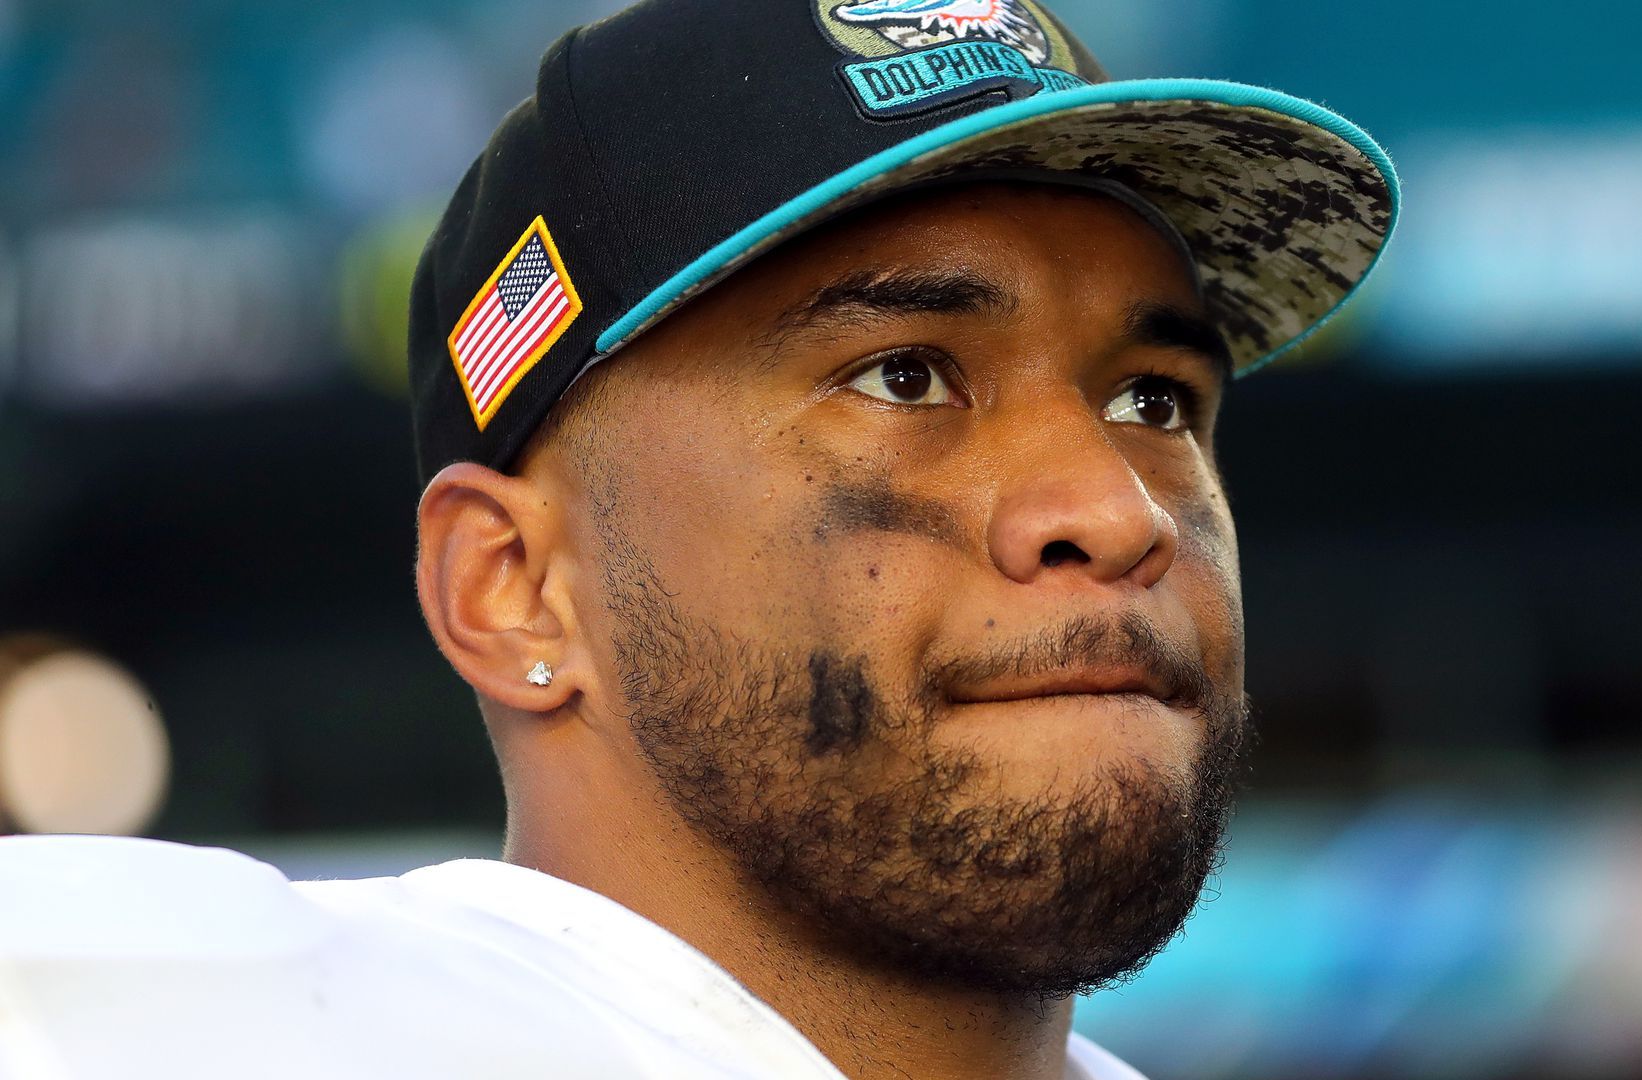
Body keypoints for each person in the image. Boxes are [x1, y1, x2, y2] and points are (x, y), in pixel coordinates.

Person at [0, 1, 1396, 1077]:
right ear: (516, 589)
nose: (1115, 509)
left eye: (1155, 400)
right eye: (904, 376)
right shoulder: (185, 1014)